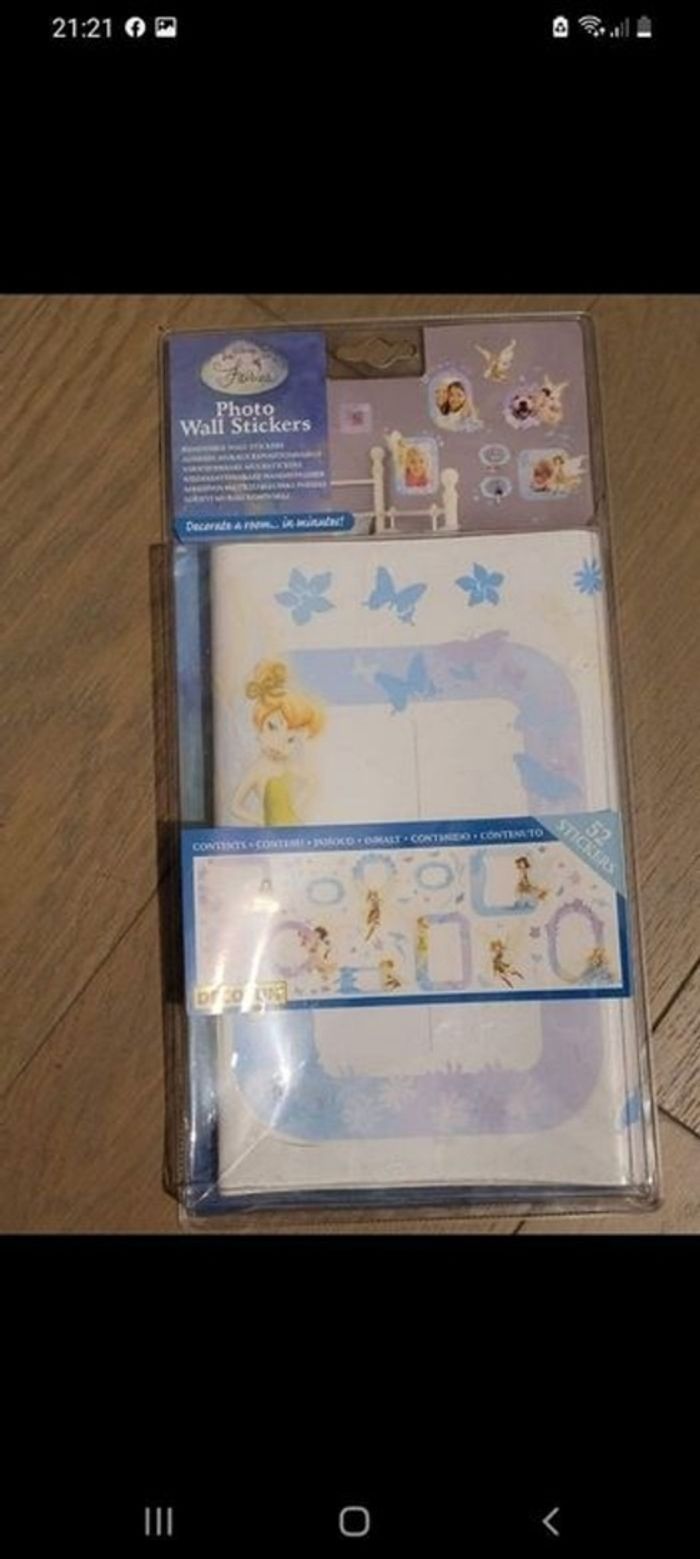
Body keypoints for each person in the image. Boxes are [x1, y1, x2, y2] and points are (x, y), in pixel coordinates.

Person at [231, 660, 325, 825]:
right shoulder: (257, 770)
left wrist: (297, 809)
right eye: (272, 727)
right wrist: (261, 821)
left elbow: (312, 782)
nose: (279, 744)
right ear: (259, 725)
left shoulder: (287, 765)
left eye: (291, 739)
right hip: (272, 833)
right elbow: (235, 807)